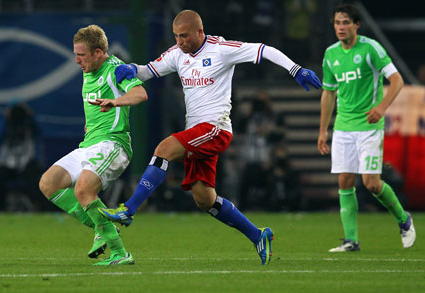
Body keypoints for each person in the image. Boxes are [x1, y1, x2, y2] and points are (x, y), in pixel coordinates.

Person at [98, 9, 322, 265]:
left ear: (199, 32)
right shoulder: (176, 54)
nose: (180, 41)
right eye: (176, 37)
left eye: (184, 36)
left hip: (215, 128)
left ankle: (129, 209)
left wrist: (296, 69)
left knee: (164, 148)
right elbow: (148, 71)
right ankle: (258, 235)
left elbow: (264, 49)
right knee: (204, 198)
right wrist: (131, 68)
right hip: (196, 133)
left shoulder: (221, 48)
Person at [38, 24, 147, 265]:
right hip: (90, 144)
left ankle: (121, 253)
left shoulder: (115, 69)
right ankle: (104, 227)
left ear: (98, 53)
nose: (76, 60)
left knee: (83, 190)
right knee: (48, 183)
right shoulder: (88, 71)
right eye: (75, 54)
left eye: (81, 55)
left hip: (113, 143)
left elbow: (140, 94)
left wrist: (116, 102)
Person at [317, 4, 416, 252]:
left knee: (371, 183)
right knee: (344, 182)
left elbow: (397, 80)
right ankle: (351, 240)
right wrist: (322, 131)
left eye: (346, 23)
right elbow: (329, 93)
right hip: (343, 127)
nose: (341, 27)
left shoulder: (371, 48)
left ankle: (404, 220)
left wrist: (382, 107)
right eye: (337, 23)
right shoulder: (331, 54)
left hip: (369, 126)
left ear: (356, 24)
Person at [0, 102, 44, 212]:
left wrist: (30, 116)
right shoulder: (7, 127)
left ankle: (35, 206)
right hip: (8, 164)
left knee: (34, 175)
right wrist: (6, 119)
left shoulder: (30, 127)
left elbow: (41, 133)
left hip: (26, 163)